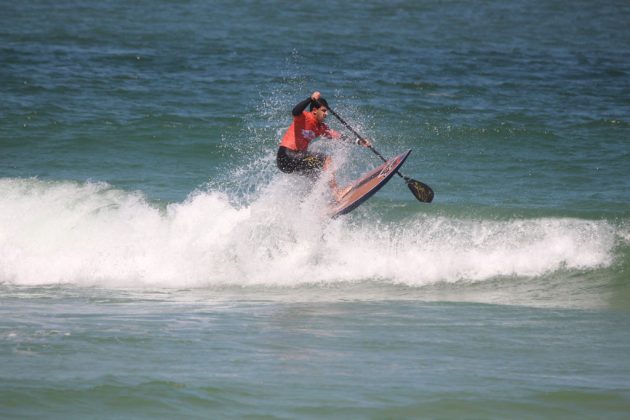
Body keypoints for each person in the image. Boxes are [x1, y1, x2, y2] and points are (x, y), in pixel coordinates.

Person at [276, 91, 371, 200]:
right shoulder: (303, 117)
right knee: (327, 160)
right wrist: (310, 99)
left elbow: (338, 136)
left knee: (316, 175)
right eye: (324, 110)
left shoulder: (321, 127)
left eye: (327, 111)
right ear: (315, 111)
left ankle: (307, 206)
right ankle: (337, 193)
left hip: (291, 162)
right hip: (286, 155)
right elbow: (295, 111)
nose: (326, 114)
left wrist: (359, 141)